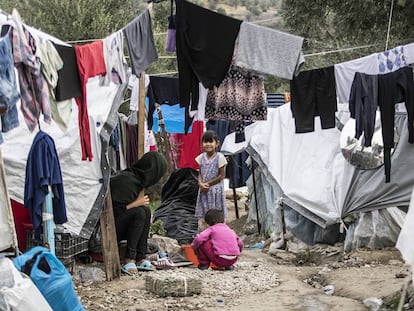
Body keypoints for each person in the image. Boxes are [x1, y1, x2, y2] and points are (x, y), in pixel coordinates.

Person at [110, 151, 168, 274]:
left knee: (145, 211)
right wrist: (134, 204)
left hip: (120, 224)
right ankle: (129, 259)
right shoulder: (126, 181)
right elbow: (111, 213)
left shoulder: (137, 181)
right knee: (139, 213)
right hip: (107, 230)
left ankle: (140, 257)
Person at [195, 130, 227, 230]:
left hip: (215, 191)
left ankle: (218, 232)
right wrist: (200, 183)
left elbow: (221, 176)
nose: (208, 144)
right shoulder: (201, 158)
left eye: (210, 141)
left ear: (217, 143)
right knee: (204, 214)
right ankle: (204, 233)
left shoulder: (220, 157)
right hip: (204, 191)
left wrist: (207, 184)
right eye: (205, 142)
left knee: (216, 214)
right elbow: (200, 173)